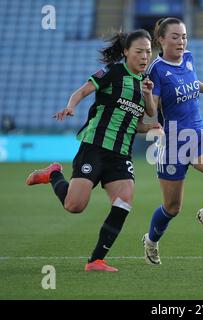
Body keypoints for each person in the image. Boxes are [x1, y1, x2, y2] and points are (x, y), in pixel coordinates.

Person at [26, 29, 161, 272]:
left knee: (124, 201)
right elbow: (81, 92)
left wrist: (150, 126)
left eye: (148, 52)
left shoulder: (145, 85)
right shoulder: (112, 72)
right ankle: (53, 173)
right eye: (139, 51)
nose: (144, 57)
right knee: (74, 206)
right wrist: (70, 107)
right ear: (126, 52)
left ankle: (96, 260)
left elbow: (135, 120)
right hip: (95, 147)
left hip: (121, 154)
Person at [142, 18, 203, 265]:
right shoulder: (156, 70)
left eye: (184, 36)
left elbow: (192, 82)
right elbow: (152, 111)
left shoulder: (189, 58)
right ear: (161, 39)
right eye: (175, 36)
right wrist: (147, 94)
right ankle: (151, 241)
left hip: (197, 136)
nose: (181, 41)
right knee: (172, 208)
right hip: (174, 143)